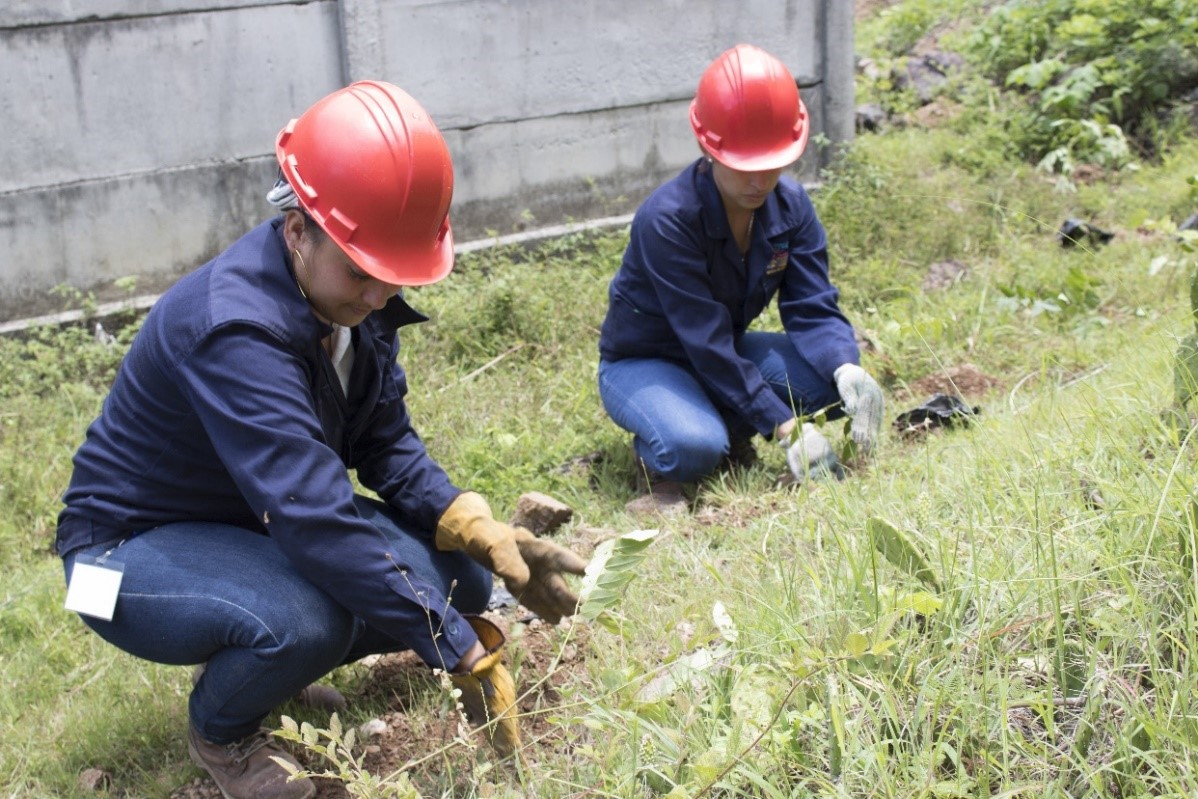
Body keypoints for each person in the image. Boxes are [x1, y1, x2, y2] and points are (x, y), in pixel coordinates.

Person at [55, 80, 587, 799]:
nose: (376, 297)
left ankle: (269, 658)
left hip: (242, 519)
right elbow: (312, 517)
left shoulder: (346, 301)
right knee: (310, 619)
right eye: (361, 272)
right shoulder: (235, 330)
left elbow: (384, 442)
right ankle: (224, 727)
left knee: (459, 574)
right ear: (297, 228)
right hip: (120, 556)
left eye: (390, 276)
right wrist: (457, 646)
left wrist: (470, 518)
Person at [597, 44, 884, 517]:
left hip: (726, 351)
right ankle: (676, 441)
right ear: (708, 147)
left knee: (834, 389)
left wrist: (845, 365)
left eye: (771, 163)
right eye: (744, 165)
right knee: (694, 447)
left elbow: (812, 304)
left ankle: (725, 412)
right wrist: (784, 426)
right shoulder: (668, 220)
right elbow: (703, 341)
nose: (759, 180)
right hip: (648, 361)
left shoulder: (790, 206)